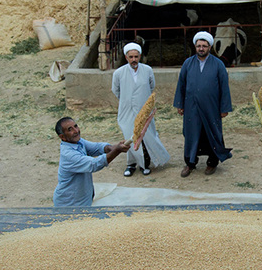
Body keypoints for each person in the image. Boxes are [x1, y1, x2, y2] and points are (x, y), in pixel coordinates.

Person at [173, 30, 232, 177]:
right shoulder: (188, 63)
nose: (201, 48)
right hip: (191, 107)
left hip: (211, 108)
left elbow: (224, 88)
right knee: (191, 134)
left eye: (204, 46)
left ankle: (212, 163)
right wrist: (180, 104)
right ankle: (190, 163)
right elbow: (181, 84)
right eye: (199, 45)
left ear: (210, 47)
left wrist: (224, 108)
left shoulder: (218, 65)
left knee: (212, 133)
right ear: (195, 46)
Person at [111, 42, 170, 176]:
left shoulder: (147, 70)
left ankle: (145, 164)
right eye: (131, 57)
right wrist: (127, 100)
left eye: (136, 57)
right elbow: (116, 90)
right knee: (129, 136)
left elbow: (151, 85)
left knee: (146, 136)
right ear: (126, 57)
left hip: (144, 110)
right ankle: (131, 164)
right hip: (126, 110)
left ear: (140, 56)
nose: (134, 60)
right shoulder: (119, 73)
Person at [52, 117, 129, 207]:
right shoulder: (68, 155)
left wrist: (112, 148)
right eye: (70, 129)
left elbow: (96, 147)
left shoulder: (78, 142)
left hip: (83, 201)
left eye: (75, 126)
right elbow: (94, 164)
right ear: (62, 137)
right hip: (69, 205)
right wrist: (117, 151)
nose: (76, 131)